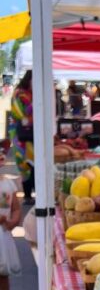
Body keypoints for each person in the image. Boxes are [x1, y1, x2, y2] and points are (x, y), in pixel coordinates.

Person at [0, 155, 26, 290]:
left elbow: (15, 207)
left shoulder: (8, 184)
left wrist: (13, 221)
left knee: (3, 272)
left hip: (3, 233)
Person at [9, 70, 34, 201]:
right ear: (29, 80)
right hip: (21, 135)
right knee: (25, 164)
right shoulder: (20, 94)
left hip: (29, 133)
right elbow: (21, 113)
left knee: (33, 163)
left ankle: (32, 194)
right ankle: (28, 196)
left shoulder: (30, 93)